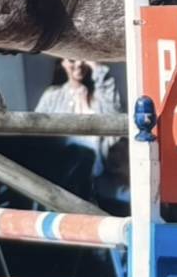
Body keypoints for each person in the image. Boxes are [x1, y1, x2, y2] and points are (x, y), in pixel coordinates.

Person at [34, 59, 126, 206]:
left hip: (97, 174)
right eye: (71, 60)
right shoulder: (52, 95)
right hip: (61, 170)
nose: (78, 64)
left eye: (82, 59)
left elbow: (115, 114)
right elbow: (35, 132)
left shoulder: (98, 96)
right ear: (62, 63)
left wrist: (96, 66)